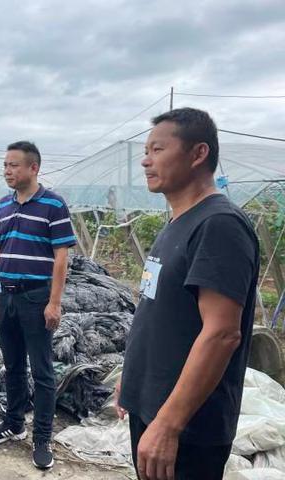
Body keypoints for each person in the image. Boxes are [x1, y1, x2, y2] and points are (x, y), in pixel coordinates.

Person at [116, 108, 260, 480]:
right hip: (153, 407)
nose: (146, 161)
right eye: (146, 151)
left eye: (158, 149)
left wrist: (168, 424)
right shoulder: (179, 221)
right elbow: (160, 312)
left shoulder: (218, 225)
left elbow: (222, 333)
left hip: (188, 429)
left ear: (198, 154)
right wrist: (132, 378)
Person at [0, 141, 76, 470]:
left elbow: (62, 257)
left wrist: (54, 302)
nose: (7, 171)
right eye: (5, 165)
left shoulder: (53, 204)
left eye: (14, 165)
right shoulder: (3, 205)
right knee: (13, 365)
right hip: (5, 295)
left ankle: (42, 437)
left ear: (33, 168)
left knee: (43, 370)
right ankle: (14, 423)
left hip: (36, 296)